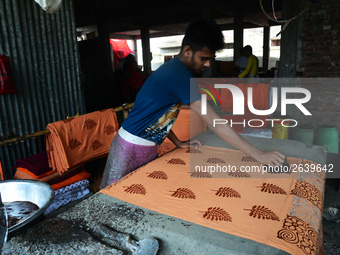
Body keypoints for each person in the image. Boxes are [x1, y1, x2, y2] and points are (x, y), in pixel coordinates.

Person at [100, 20, 284, 189]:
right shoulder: (179, 76)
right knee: (110, 198)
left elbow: (156, 115)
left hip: (145, 147)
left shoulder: (173, 70)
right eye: (203, 58)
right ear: (187, 51)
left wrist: (178, 142)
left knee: (136, 193)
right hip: (129, 147)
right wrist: (259, 155)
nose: (207, 64)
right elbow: (214, 122)